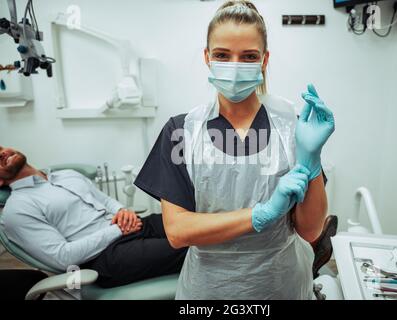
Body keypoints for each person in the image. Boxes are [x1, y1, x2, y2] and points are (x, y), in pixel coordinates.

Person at [135, 0, 335, 299]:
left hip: (281, 284)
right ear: (207, 57)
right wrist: (261, 214)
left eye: (249, 56)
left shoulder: (291, 128)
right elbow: (177, 231)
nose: (235, 66)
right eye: (222, 55)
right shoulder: (181, 131)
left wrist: (312, 160)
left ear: (264, 60)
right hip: (210, 288)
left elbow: (310, 232)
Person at [0, 145, 187, 288]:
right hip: (104, 256)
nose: (1, 153)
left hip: (133, 227)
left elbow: (105, 201)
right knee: (194, 247)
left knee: (193, 223)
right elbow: (62, 257)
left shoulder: (67, 175)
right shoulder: (17, 209)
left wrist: (123, 211)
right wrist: (117, 230)